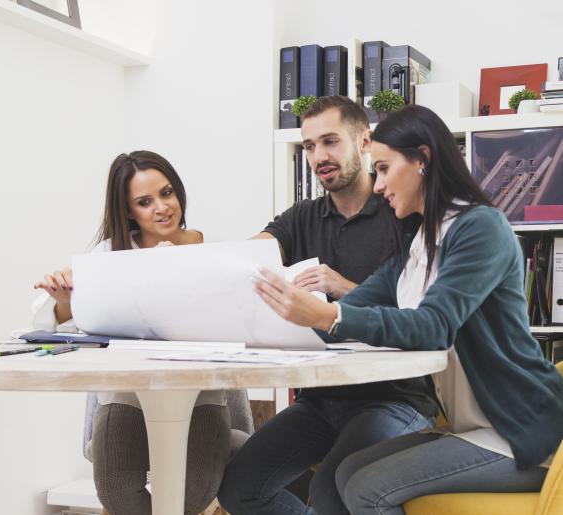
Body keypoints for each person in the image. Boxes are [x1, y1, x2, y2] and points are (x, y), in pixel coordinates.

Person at [251, 104, 563, 515]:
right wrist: (293, 309)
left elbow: (434, 326)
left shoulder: (480, 227)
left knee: (365, 488)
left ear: (422, 160)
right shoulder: (418, 243)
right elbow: (353, 309)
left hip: (522, 432)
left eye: (382, 168)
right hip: (473, 428)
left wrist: (327, 315)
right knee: (341, 478)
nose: (377, 186)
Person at [218, 96, 438, 515]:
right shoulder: (302, 217)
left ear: (366, 142)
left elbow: (421, 316)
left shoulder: (402, 211)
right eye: (309, 146)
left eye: (331, 141)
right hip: (320, 401)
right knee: (239, 489)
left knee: (331, 491)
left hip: (396, 398)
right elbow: (243, 260)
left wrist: (341, 287)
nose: (319, 156)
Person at [32, 150, 233, 515]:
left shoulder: (214, 248)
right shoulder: (110, 255)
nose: (162, 207)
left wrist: (177, 272)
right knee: (117, 494)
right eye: (145, 201)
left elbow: (235, 320)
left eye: (167, 193)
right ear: (128, 211)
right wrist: (64, 302)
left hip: (200, 394)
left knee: (193, 497)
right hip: (127, 394)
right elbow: (63, 327)